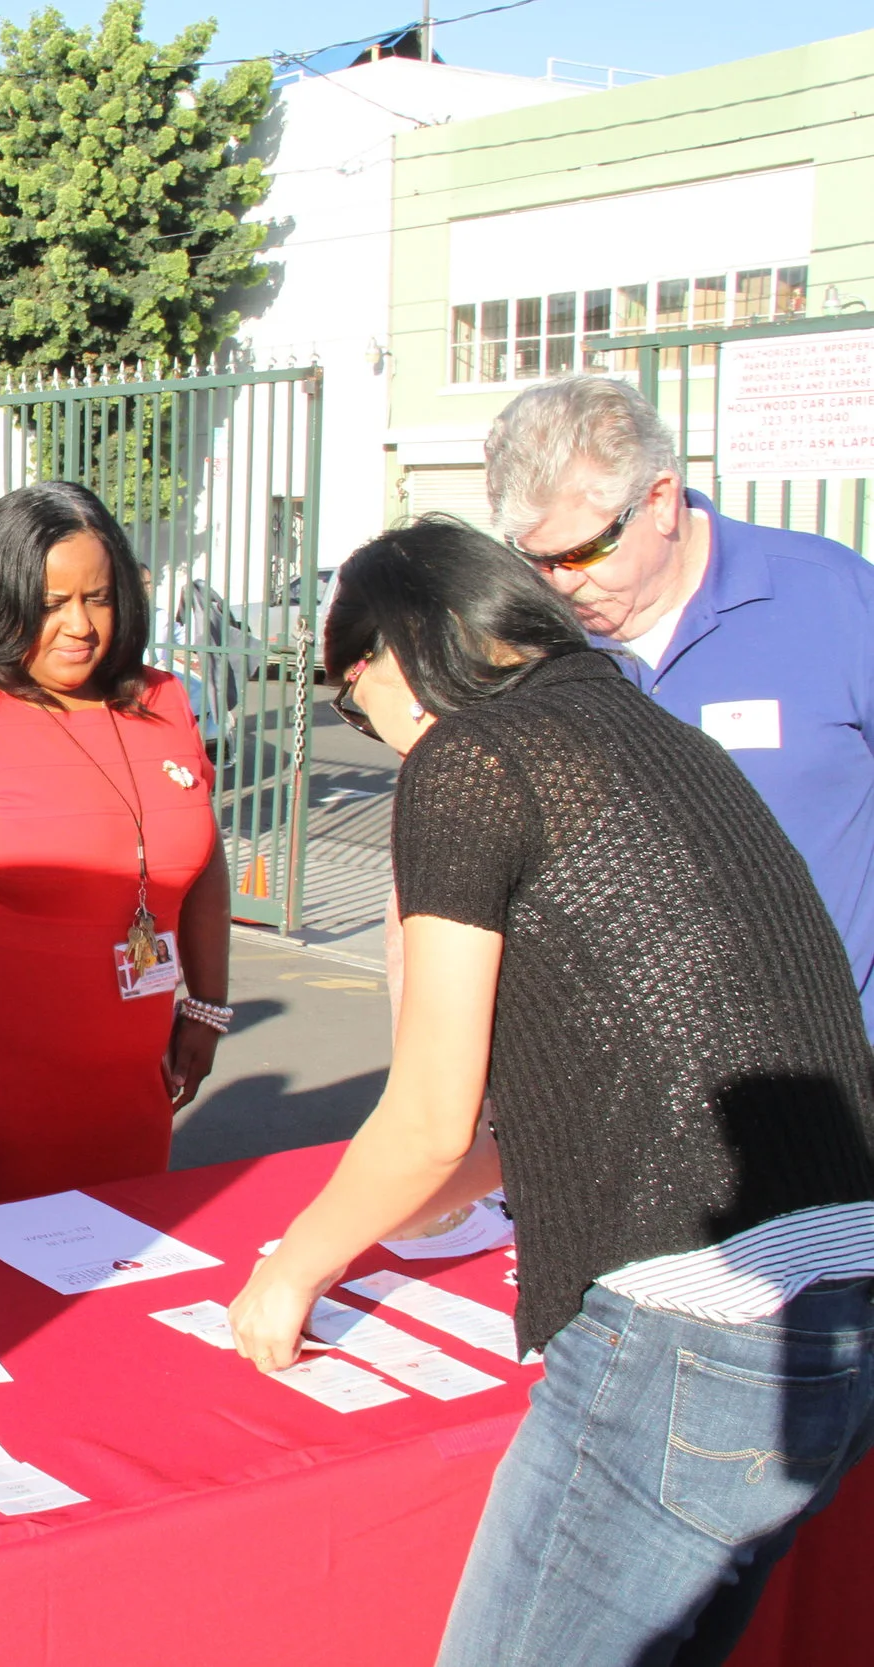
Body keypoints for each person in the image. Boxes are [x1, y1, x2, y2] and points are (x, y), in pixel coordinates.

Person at [228, 516, 874, 1666]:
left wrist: (293, 1269)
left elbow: (430, 1114)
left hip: (692, 1328)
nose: (363, 726)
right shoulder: (649, 727)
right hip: (837, 1306)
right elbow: (583, 1085)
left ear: (392, 650)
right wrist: (426, 1194)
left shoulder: (472, 758)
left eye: (346, 694)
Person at [0, 483, 230, 1217]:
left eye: (98, 597)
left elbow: (204, 858)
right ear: (1, 599)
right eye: (51, 602)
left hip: (131, 1095)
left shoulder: (163, 703)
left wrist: (208, 1005)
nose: (79, 626)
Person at [487, 373, 874, 1033]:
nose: (562, 585)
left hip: (826, 1077)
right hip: (622, 1089)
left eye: (582, 553)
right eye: (536, 560)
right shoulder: (528, 644)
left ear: (661, 499)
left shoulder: (836, 599)